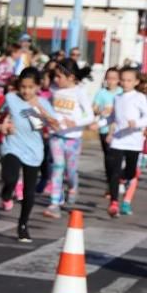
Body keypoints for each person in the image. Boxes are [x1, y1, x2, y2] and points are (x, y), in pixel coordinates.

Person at [0, 68, 56, 235]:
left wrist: (40, 110)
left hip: (34, 150)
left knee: (29, 192)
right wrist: (0, 124)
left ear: (38, 86)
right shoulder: (11, 98)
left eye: (30, 87)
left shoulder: (43, 102)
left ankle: (23, 225)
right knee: (10, 177)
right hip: (12, 145)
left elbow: (56, 125)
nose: (26, 91)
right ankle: (6, 193)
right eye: (23, 86)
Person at [45, 58, 95, 214]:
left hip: (73, 138)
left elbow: (90, 116)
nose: (55, 79)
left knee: (71, 171)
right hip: (56, 136)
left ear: (71, 77)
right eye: (55, 76)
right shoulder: (54, 90)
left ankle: (73, 186)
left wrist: (75, 121)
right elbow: (47, 108)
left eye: (59, 76)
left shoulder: (79, 92)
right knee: (58, 167)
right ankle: (54, 203)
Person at [106, 67, 147, 217]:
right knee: (114, 172)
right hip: (118, 140)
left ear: (136, 82)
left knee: (130, 173)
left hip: (134, 141)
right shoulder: (117, 97)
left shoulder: (140, 98)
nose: (125, 83)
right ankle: (114, 203)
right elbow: (112, 118)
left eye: (129, 80)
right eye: (122, 80)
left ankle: (124, 177)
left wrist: (136, 123)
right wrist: (100, 122)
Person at [93, 67, 120, 176]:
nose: (111, 81)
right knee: (108, 156)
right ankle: (111, 179)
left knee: (116, 156)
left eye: (114, 78)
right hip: (104, 128)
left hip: (118, 130)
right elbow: (94, 108)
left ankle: (117, 179)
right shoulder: (101, 93)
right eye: (108, 78)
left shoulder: (121, 92)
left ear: (119, 79)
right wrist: (100, 111)